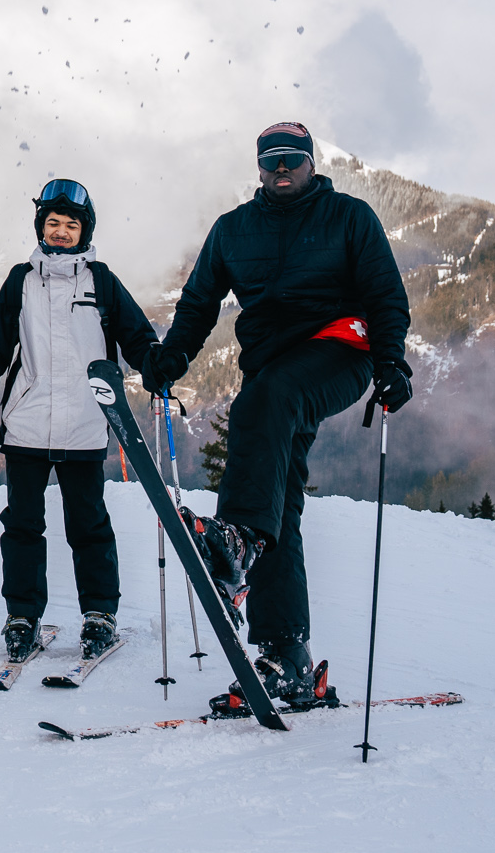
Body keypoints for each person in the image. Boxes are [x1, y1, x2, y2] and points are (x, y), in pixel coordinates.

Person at [144, 122, 412, 707]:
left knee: (264, 403)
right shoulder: (234, 228)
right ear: (259, 168)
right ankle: (286, 653)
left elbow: (385, 294)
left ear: (312, 163)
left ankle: (237, 542)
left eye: (292, 158)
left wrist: (392, 362)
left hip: (341, 349)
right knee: (279, 503)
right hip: (272, 369)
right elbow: (198, 302)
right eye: (271, 160)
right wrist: (172, 358)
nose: (282, 168)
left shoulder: (349, 217)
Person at [0, 180, 161, 663]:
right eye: (52, 223)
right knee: (22, 526)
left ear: (84, 231)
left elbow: (138, 337)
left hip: (85, 423)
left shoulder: (102, 281)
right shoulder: (20, 280)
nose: (60, 231)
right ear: (41, 227)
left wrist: (156, 366)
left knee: (88, 525)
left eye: (70, 225)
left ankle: (99, 615)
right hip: (27, 424)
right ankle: (22, 616)